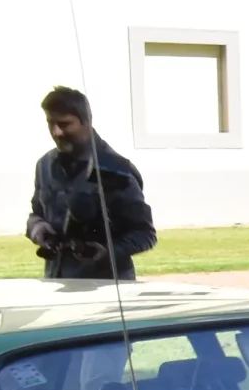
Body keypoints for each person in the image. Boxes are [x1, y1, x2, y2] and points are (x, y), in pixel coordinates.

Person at [26, 85, 154, 282]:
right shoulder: (44, 165)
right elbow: (36, 213)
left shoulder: (114, 170)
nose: (56, 132)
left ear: (87, 121)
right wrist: (38, 228)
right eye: (50, 123)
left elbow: (145, 234)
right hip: (56, 283)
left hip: (107, 290)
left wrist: (108, 251)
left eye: (64, 124)